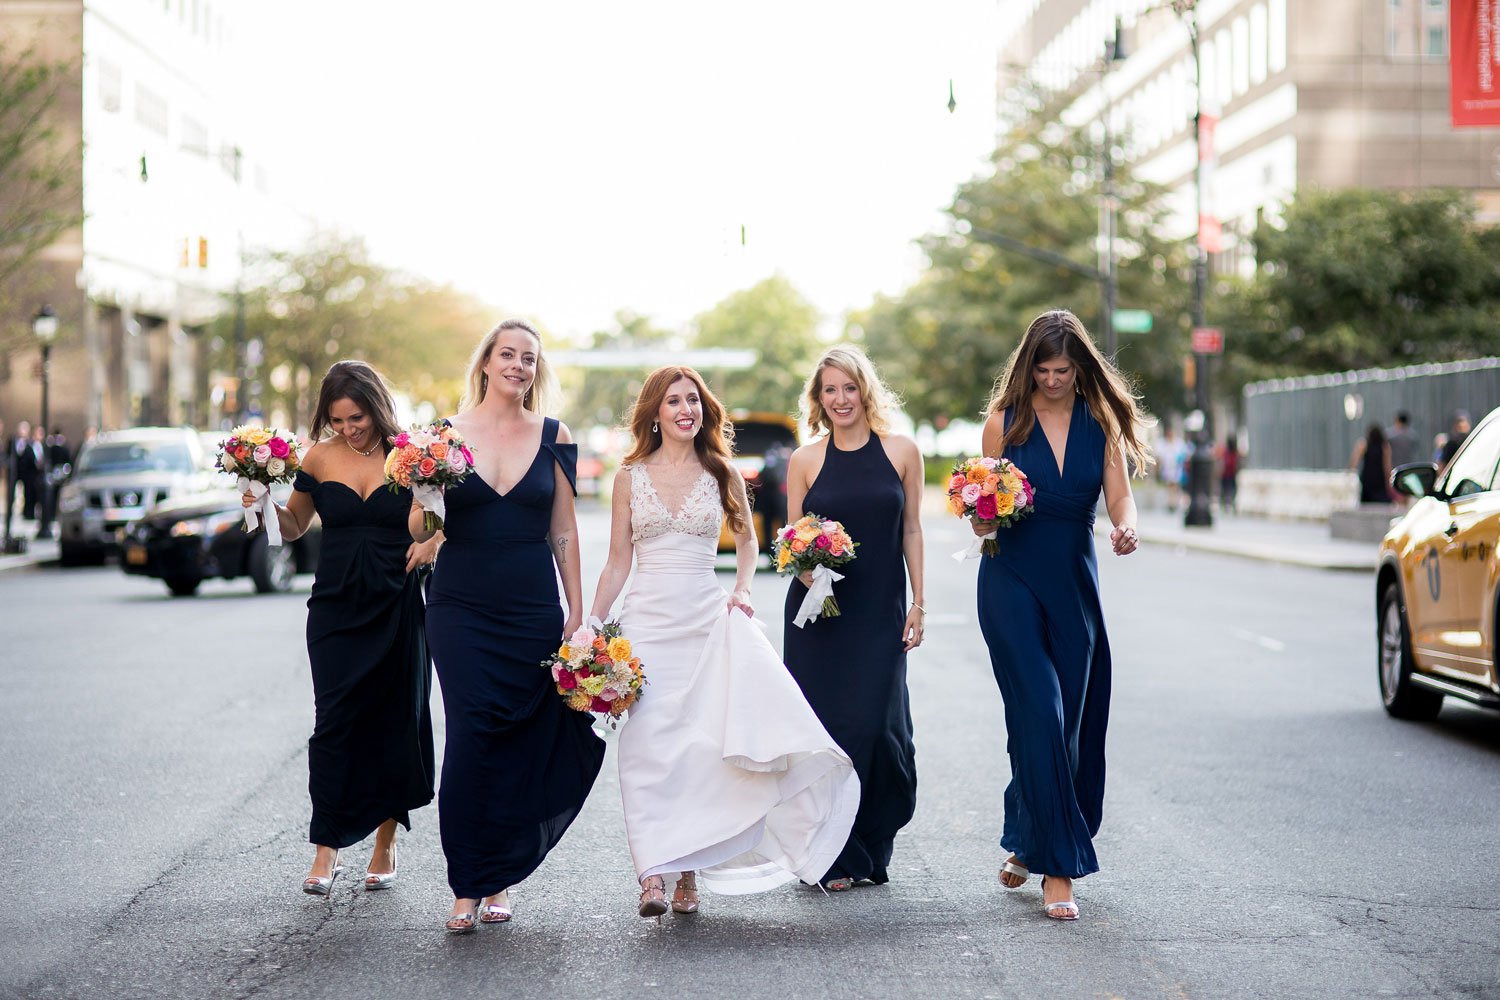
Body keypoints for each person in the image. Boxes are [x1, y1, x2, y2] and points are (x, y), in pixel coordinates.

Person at [590, 366, 858, 918]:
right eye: (673, 401)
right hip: (645, 626)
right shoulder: (629, 476)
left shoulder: (722, 472)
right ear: (655, 414)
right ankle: (652, 875)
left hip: (704, 621)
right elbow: (619, 560)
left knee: (697, 752)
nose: (685, 409)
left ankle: (688, 869)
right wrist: (593, 623)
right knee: (646, 752)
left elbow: (747, 538)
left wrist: (741, 590)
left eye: (693, 400)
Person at [418, 319, 605, 934]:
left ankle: (498, 873)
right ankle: (468, 883)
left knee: (520, 735)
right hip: (460, 606)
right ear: (487, 364)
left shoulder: (555, 435)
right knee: (472, 734)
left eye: (530, 358)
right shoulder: (442, 437)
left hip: (531, 607)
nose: (520, 366)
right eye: (509, 355)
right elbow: (419, 532)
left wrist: (577, 613)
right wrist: (421, 494)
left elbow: (563, 529)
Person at [973, 309, 1149, 922]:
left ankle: (1025, 835)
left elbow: (1119, 493)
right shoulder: (1003, 424)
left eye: (1064, 370)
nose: (1053, 380)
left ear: (1081, 368)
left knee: (1068, 723)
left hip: (1074, 584)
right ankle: (1058, 870)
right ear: (1029, 368)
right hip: (1010, 578)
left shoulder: (1100, 423)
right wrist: (982, 514)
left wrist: (1126, 527)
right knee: (1042, 711)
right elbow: (982, 503)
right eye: (1043, 369)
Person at [243, 360, 438, 897]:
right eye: (337, 420)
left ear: (375, 405)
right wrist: (261, 499)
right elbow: (296, 524)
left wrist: (432, 533)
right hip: (334, 607)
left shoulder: (411, 454)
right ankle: (326, 847)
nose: (348, 429)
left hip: (396, 602)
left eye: (357, 417)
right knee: (333, 725)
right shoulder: (319, 456)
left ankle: (384, 844)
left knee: (395, 721)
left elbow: (429, 524)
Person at [782, 345, 924, 891]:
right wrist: (813, 577)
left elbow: (911, 529)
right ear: (818, 399)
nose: (840, 399)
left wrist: (918, 602)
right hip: (821, 617)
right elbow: (791, 543)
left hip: (880, 611)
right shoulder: (805, 460)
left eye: (848, 388)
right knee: (828, 731)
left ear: (866, 390)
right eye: (829, 390)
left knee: (880, 728)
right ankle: (835, 854)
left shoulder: (902, 452)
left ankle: (872, 839)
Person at [1349, 423, 1393, 505]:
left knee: (1366, 504)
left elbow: (1354, 461)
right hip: (1379, 478)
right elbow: (1387, 465)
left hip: (1367, 477)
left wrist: (1350, 472)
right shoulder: (1384, 446)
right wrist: (1389, 480)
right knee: (1381, 504)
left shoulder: (1364, 443)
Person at [1153, 425, 1186, 512]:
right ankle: (1171, 502)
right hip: (1167, 469)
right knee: (1170, 485)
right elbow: (1159, 457)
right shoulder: (1162, 444)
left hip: (1177, 468)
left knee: (1175, 485)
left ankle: (1173, 502)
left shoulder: (1179, 443)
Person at [1216, 433, 1241, 513]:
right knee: (1229, 489)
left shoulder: (1231, 452)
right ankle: (1227, 503)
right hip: (1229, 474)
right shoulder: (1232, 452)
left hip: (1228, 474)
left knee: (1227, 489)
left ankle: (1227, 503)